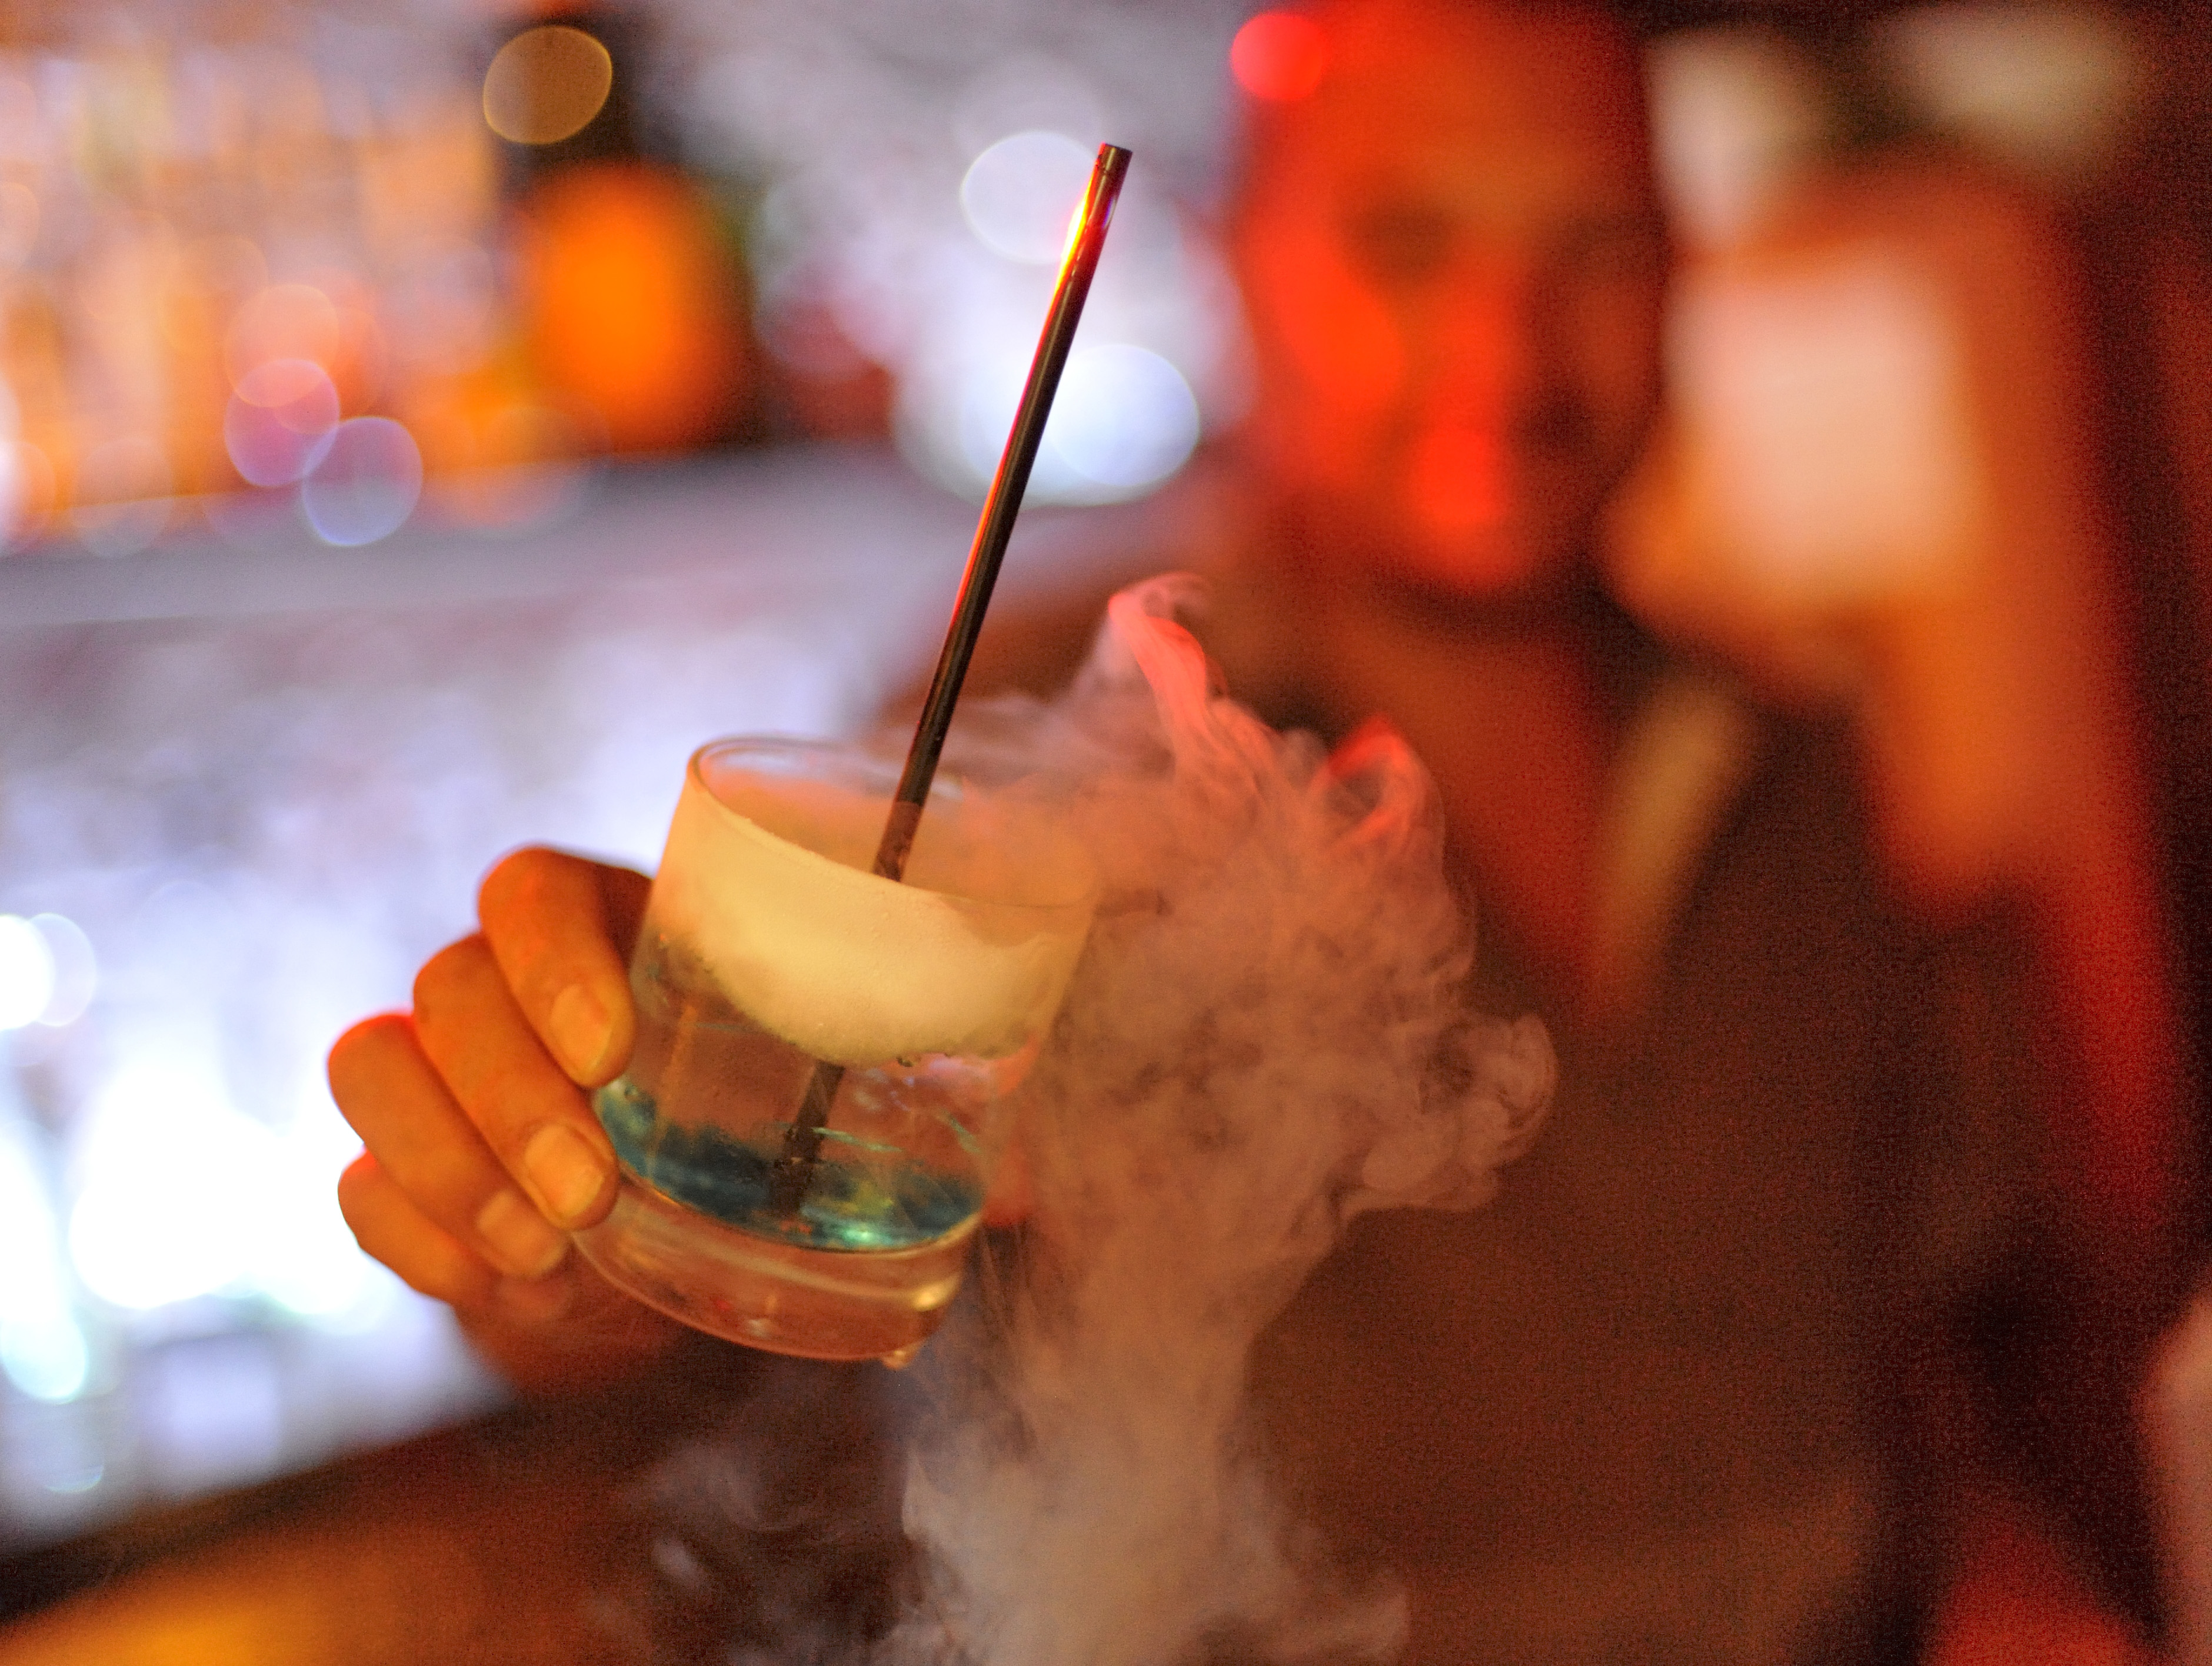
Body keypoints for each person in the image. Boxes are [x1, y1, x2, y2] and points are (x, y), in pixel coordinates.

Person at [326, 2, 2124, 1660]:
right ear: (1233, 262)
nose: (1506, 351)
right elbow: (725, 1305)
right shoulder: (1032, 770)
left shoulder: (1798, 760)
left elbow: (1924, 1379)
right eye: (1406, 243)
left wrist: (2029, 1597)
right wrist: (562, 1224)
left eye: (1592, 245)